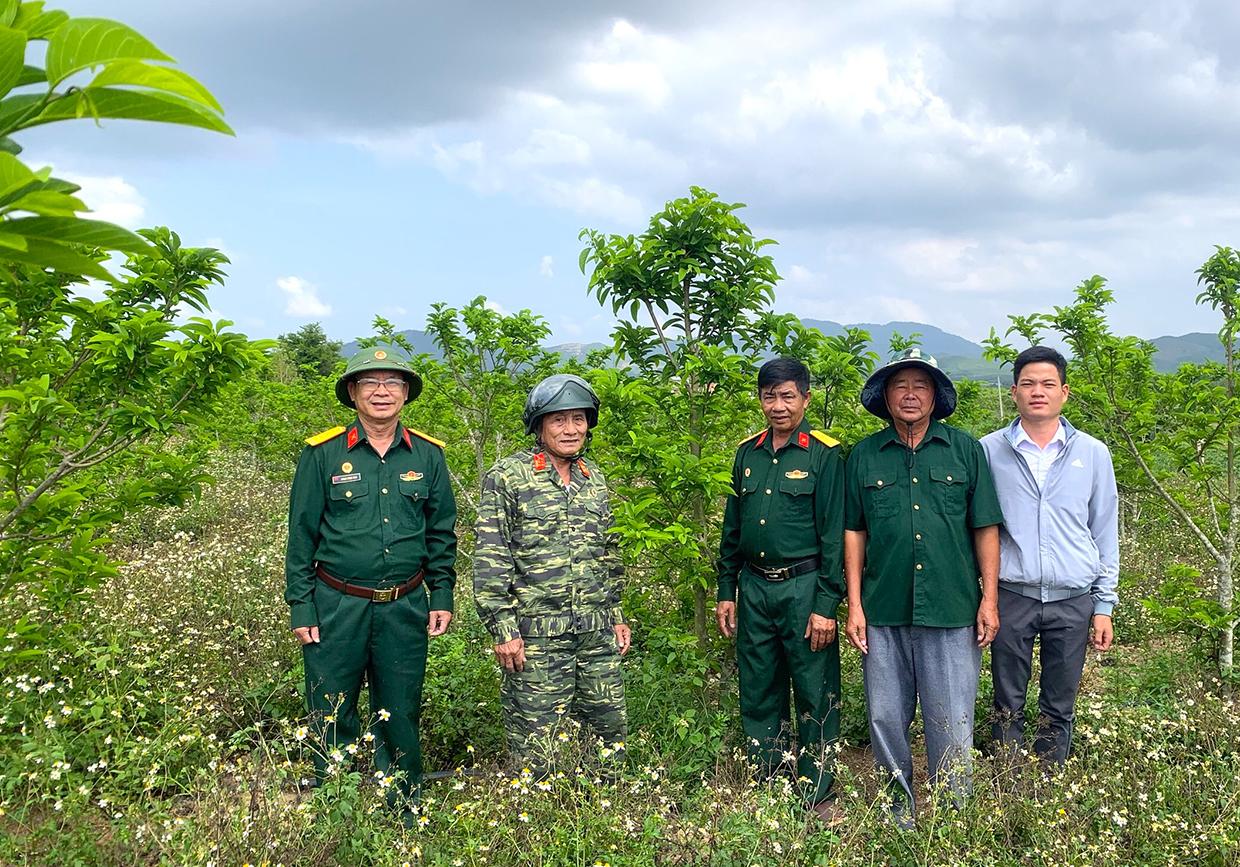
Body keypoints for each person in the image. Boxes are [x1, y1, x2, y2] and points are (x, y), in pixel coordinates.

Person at [285, 347, 457, 813]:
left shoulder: (428, 455)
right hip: (336, 604)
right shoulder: (322, 454)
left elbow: (441, 532)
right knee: (331, 709)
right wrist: (301, 604)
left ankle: (403, 808)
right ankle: (334, 811)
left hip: (405, 605)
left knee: (400, 710)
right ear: (352, 392)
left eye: (392, 382)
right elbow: (301, 534)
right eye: (370, 382)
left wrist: (441, 593)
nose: (382, 392)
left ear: (405, 393)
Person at [843, 348, 1003, 826]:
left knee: (951, 719)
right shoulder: (864, 455)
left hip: (951, 608)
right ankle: (897, 813)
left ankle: (954, 818)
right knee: (886, 717)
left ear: (935, 396)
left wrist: (989, 599)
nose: (910, 395)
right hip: (883, 608)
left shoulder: (964, 450)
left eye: (921, 386)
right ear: (886, 396)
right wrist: (854, 605)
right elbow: (855, 531)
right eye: (900, 386)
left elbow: (985, 527)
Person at [473, 374, 630, 772]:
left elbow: (608, 552)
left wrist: (615, 615)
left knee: (608, 735)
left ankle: (606, 805)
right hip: (536, 637)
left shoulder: (594, 479)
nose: (570, 429)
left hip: (595, 634)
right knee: (538, 747)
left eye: (578, 419)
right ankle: (538, 810)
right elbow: (492, 556)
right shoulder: (509, 477)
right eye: (559, 420)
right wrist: (503, 630)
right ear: (539, 426)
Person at [716, 357, 845, 821]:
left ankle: (817, 790)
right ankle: (768, 779)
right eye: (769, 396)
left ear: (805, 399)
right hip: (754, 587)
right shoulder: (746, 454)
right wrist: (726, 589)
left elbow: (835, 536)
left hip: (804, 588)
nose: (778, 405)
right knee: (759, 686)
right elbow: (732, 529)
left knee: (814, 688)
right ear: (760, 400)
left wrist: (826, 604)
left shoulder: (825, 454)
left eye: (788, 395)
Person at [981, 345, 1118, 763]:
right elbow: (979, 528)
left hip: (1073, 598)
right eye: (1028, 384)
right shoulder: (988, 451)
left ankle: (1049, 783)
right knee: (1007, 700)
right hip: (1012, 594)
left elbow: (1104, 529)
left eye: (1047, 383)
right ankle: (1006, 782)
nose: (1037, 391)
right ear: (1014, 392)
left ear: (1064, 392)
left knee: (1060, 703)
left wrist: (1104, 605)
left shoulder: (1092, 453)